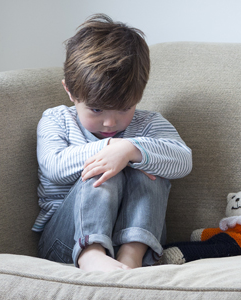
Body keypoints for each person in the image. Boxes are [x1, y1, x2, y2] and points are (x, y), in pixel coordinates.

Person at [33, 14, 192, 272]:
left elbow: (184, 160)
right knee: (106, 166)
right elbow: (54, 167)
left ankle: (131, 257)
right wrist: (111, 150)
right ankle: (91, 252)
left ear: (139, 96)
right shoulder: (57, 120)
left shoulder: (149, 124)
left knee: (149, 162)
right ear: (70, 92)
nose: (110, 123)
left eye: (123, 109)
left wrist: (131, 150)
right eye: (96, 110)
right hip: (65, 241)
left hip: (140, 240)